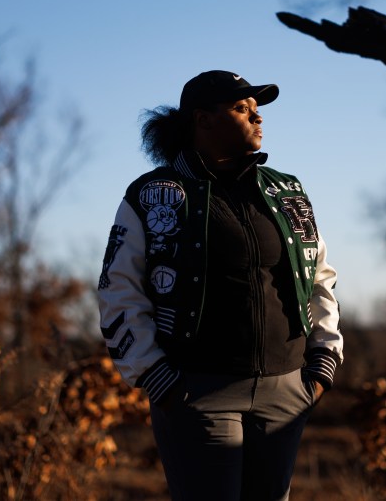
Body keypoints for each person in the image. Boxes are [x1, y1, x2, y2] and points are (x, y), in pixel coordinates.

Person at [97, 70, 344, 501]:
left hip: (286, 390)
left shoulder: (287, 191)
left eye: (257, 110)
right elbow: (118, 290)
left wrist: (322, 364)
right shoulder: (153, 193)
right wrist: (159, 380)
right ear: (202, 120)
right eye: (241, 108)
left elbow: (318, 275)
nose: (257, 118)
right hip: (198, 394)